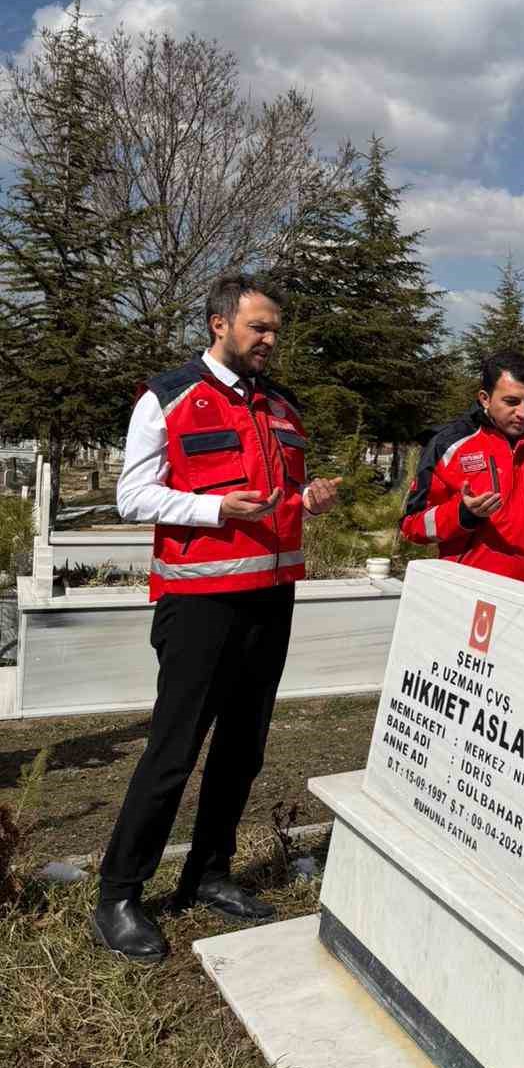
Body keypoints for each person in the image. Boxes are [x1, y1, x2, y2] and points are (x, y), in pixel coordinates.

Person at [92, 272, 341, 963]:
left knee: (243, 747)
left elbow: (281, 493)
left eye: (275, 331)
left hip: (271, 597)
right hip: (199, 604)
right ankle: (119, 895)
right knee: (173, 752)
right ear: (218, 324)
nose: (269, 341)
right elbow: (132, 495)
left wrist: (308, 500)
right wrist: (211, 508)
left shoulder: (284, 406)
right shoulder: (168, 397)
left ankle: (209, 872)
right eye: (259, 328)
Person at [400, 351, 524, 590]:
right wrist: (462, 514)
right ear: (485, 398)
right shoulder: (448, 445)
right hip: (475, 594)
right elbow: (412, 525)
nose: (523, 413)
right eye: (511, 402)